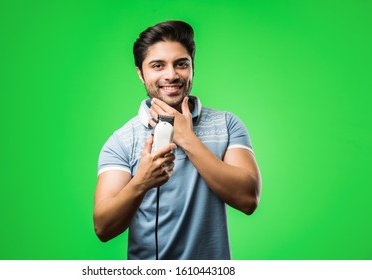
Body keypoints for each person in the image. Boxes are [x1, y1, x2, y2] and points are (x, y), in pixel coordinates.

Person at [93, 20, 261, 260]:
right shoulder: (122, 141)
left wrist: (187, 138)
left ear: (192, 67)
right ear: (141, 73)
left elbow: (248, 199)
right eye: (157, 66)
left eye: (181, 64)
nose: (171, 75)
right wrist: (141, 182)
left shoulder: (227, 125)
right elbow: (103, 227)